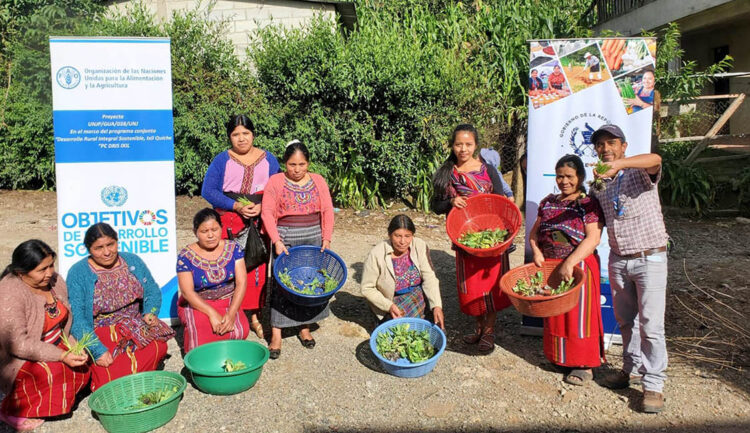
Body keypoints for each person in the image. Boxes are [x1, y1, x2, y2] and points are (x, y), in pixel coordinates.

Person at [590, 124, 669, 413]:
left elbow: (656, 159)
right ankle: (631, 370)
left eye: (611, 143)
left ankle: (654, 385)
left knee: (651, 325)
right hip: (619, 259)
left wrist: (619, 165)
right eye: (600, 145)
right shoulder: (598, 184)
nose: (605, 149)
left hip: (650, 257)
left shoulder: (639, 172)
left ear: (623, 146)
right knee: (626, 321)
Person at [432, 124, 514, 353]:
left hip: (491, 237)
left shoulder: (488, 170)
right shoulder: (447, 173)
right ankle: (478, 327)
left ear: (476, 145)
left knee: (490, 284)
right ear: (452, 146)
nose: (463, 149)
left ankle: (489, 330)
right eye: (459, 144)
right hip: (465, 239)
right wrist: (451, 202)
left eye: (468, 144)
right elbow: (435, 205)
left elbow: (500, 200)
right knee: (473, 286)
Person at [67, 223, 174, 391]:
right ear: (89, 249)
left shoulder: (132, 261)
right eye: (99, 248)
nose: (107, 252)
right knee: (109, 371)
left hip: (135, 323)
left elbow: (152, 291)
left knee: (157, 347)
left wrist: (150, 312)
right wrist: (97, 350)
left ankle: (137, 383)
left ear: (117, 241)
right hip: (100, 330)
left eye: (111, 244)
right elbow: (77, 317)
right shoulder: (78, 272)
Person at [202, 114, 281, 339]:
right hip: (230, 222)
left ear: (253, 134)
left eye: (246, 133)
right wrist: (235, 205)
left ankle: (255, 315)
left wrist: (263, 205)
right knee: (231, 267)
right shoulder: (222, 160)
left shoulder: (269, 160)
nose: (241, 138)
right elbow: (208, 191)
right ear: (229, 137)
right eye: (236, 134)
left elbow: (277, 188)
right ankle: (232, 313)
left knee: (257, 267)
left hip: (259, 221)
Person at [528, 155, 605, 385]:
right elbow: (534, 234)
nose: (564, 181)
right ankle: (560, 357)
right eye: (560, 176)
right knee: (556, 315)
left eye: (569, 176)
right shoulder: (548, 202)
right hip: (552, 266)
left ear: (580, 177)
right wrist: (537, 252)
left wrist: (569, 263)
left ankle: (584, 365)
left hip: (579, 266)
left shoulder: (588, 204)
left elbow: (593, 238)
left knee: (578, 317)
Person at [0, 240, 90, 431]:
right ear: (21, 273)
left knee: (85, 363)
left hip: (56, 342)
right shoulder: (9, 292)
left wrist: (74, 345)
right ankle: (12, 409)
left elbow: (65, 324)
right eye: (42, 270)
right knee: (53, 372)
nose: (49, 273)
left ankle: (56, 399)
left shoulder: (55, 281)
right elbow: (17, 343)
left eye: (51, 265)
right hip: (22, 357)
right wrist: (61, 355)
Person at [261, 140, 335, 359]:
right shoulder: (275, 181)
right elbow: (267, 212)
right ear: (285, 163)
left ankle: (304, 327)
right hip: (286, 239)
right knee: (282, 284)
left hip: (313, 238)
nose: (297, 169)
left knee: (308, 282)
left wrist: (327, 238)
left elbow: (327, 210)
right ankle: (276, 333)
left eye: (302, 164)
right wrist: (276, 240)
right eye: (292, 164)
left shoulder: (318, 180)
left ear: (308, 163)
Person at [177, 208, 249, 353]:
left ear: (221, 228)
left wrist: (231, 313)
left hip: (227, 300)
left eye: (214, 230)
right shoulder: (186, 256)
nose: (210, 235)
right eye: (204, 231)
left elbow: (241, 282)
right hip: (198, 303)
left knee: (240, 331)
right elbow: (187, 292)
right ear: (195, 232)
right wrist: (212, 313)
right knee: (203, 334)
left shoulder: (233, 248)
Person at [360, 214, 444, 329]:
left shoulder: (419, 246)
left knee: (434, 328)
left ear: (413, 235)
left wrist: (436, 306)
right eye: (397, 236)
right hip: (391, 301)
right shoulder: (376, 254)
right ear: (389, 235)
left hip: (417, 295)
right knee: (399, 333)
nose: (403, 241)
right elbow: (367, 288)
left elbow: (429, 277)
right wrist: (388, 306)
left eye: (407, 236)